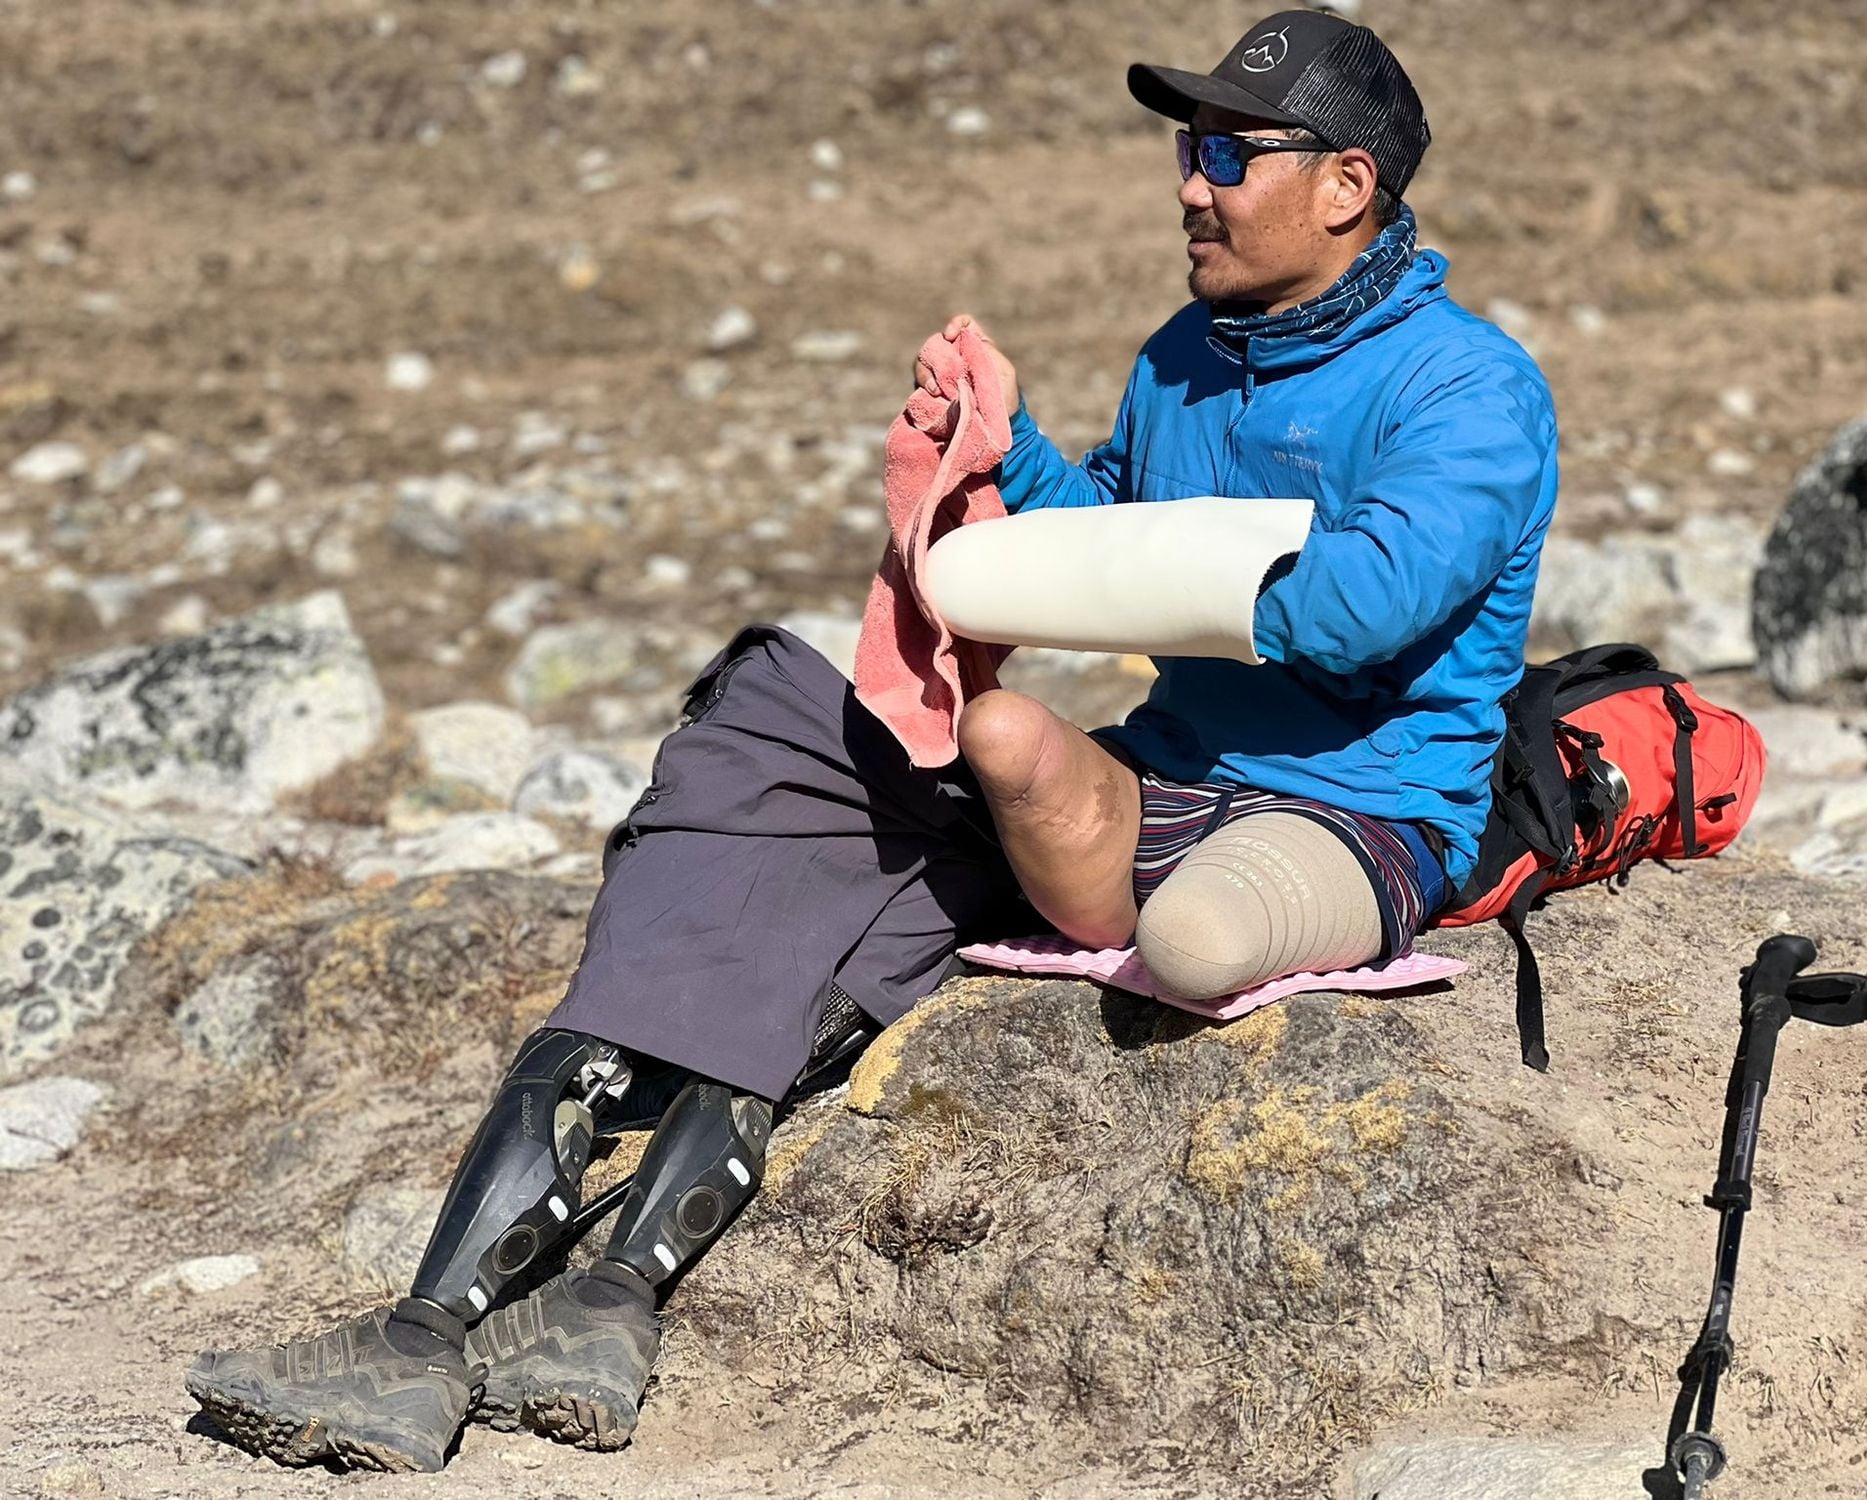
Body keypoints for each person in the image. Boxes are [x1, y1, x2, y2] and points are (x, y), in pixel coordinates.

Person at [184, 8, 1556, 1473]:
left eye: (1229, 151)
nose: (1188, 183)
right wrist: (998, 454)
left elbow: (1359, 610)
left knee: (1196, 934)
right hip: (1162, 781)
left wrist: (1099, 557)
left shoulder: (1470, 390)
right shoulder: (1184, 361)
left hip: (1357, 810)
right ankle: (476, 1317)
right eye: (1185, 143)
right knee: (773, 727)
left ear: (1346, 185)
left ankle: (630, 1258)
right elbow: (1106, 524)